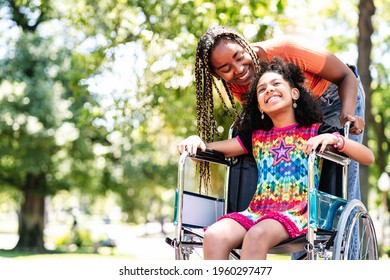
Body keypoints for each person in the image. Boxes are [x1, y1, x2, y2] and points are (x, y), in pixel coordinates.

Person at [178, 58, 374, 260]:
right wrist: (195, 141)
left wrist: (335, 139)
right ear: (260, 106)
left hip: (299, 213)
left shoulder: (317, 131)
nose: (269, 90)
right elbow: (209, 150)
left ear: (294, 93)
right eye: (262, 89)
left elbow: (368, 157)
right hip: (257, 211)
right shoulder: (256, 138)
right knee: (214, 234)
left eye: (276, 84)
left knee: (256, 235)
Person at [195, 25, 365, 208]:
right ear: (217, 75)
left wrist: (347, 115)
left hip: (335, 98)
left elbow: (345, 76)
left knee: (339, 182)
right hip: (295, 112)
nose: (238, 70)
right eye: (225, 68)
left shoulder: (287, 48)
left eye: (239, 57)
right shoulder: (237, 84)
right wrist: (201, 146)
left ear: (244, 44)